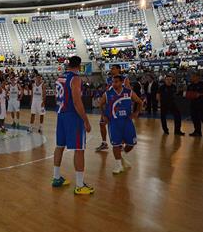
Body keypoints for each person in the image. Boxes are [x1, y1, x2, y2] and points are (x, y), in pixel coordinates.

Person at [53, 56, 93, 195]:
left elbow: (56, 98)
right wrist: (86, 120)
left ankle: (56, 177)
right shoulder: (75, 79)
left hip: (61, 114)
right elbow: (77, 102)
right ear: (79, 65)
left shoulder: (60, 77)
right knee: (79, 149)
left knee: (59, 146)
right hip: (72, 116)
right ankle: (80, 185)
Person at [99, 75, 143, 174]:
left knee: (131, 144)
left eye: (116, 82)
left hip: (127, 122)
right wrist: (104, 116)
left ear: (122, 82)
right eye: (113, 82)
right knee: (116, 144)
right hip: (114, 122)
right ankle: (118, 165)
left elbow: (140, 102)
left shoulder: (128, 92)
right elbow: (100, 104)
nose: (114, 84)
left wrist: (136, 113)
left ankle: (121, 155)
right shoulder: (107, 94)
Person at [96, 64, 130, 152]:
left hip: (119, 107)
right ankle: (104, 143)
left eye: (113, 68)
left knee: (120, 125)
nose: (111, 70)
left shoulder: (124, 79)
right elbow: (108, 91)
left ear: (119, 69)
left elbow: (128, 92)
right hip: (109, 106)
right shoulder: (109, 79)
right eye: (111, 68)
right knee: (102, 123)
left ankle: (121, 144)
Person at [186, 72, 203, 137]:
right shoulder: (190, 85)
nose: (191, 78)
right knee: (195, 118)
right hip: (193, 104)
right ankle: (197, 132)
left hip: (202, 104)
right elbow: (187, 94)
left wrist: (200, 94)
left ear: (197, 77)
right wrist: (189, 95)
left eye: (192, 76)